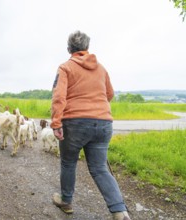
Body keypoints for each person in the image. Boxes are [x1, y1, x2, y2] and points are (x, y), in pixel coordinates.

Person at [50, 30, 131, 220]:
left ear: (69, 48)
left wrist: (56, 122)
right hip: (103, 123)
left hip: (75, 123)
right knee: (99, 168)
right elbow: (109, 94)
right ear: (87, 47)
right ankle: (120, 212)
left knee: (69, 162)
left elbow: (59, 96)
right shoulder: (101, 69)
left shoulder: (65, 67)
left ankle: (66, 201)